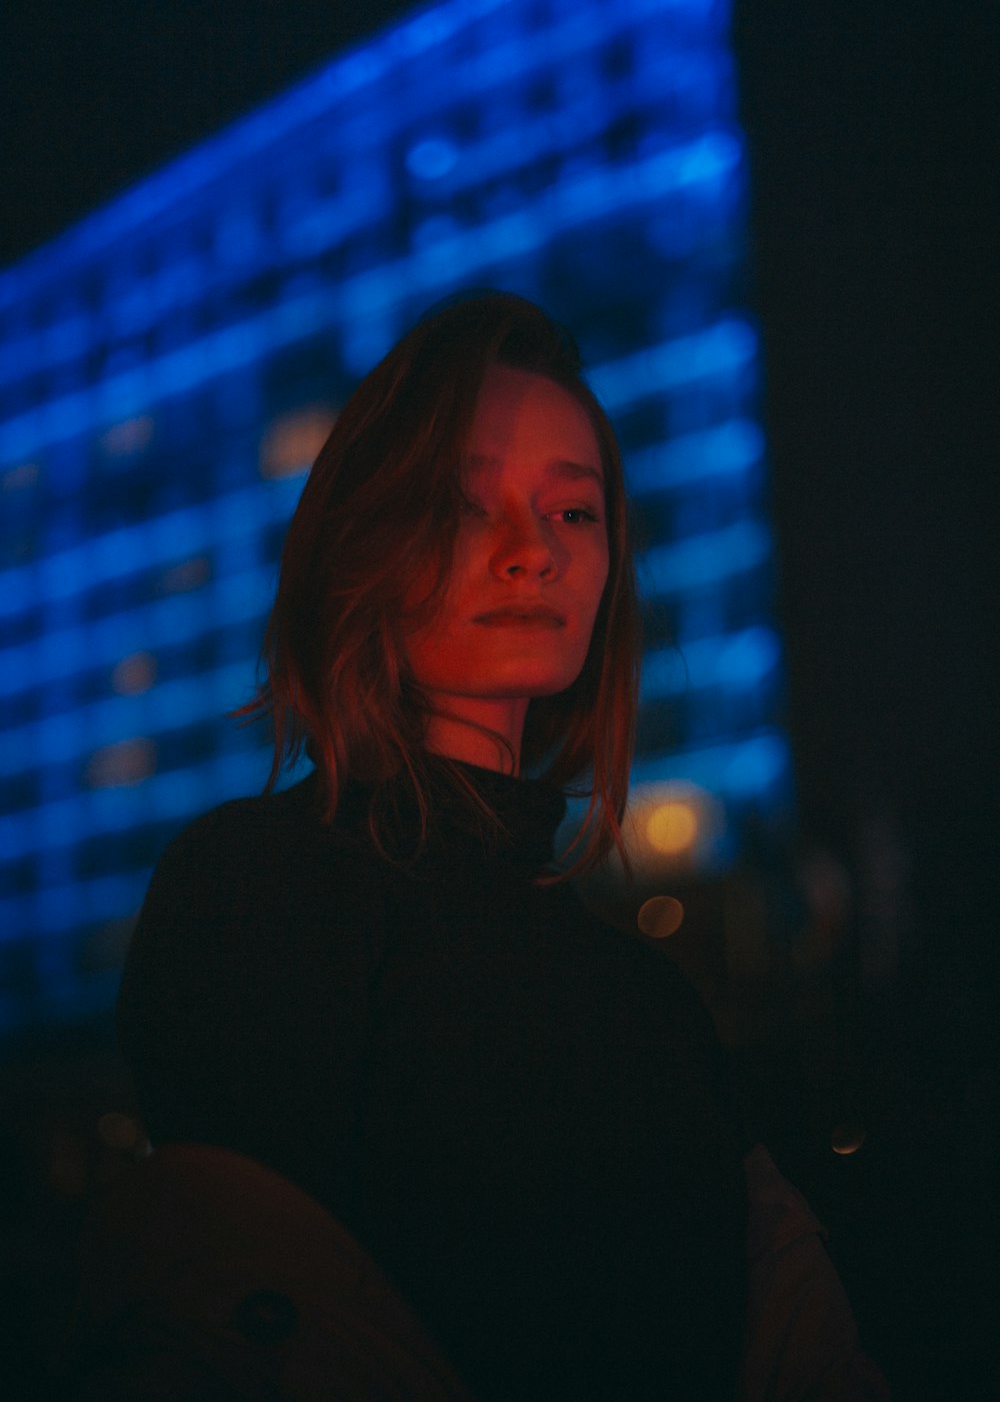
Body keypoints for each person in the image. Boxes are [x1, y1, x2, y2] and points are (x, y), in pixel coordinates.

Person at [117, 292, 887, 1400]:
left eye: (574, 513)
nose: (534, 553)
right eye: (469, 507)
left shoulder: (640, 987)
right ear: (365, 541)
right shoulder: (262, 887)